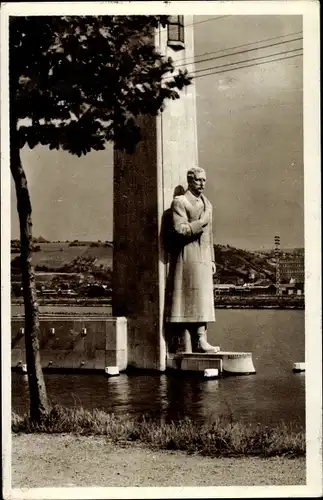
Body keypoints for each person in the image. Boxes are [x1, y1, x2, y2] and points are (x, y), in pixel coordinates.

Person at [165, 167, 220, 353]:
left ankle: (202, 340)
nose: (202, 183)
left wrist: (212, 259)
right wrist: (201, 223)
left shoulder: (208, 204)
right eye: (198, 180)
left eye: (204, 180)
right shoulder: (179, 202)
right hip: (187, 256)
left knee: (203, 298)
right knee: (190, 298)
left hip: (203, 258)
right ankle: (189, 341)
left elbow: (210, 236)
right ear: (190, 181)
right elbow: (180, 230)